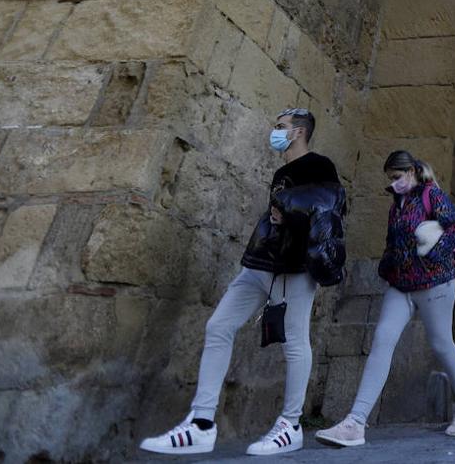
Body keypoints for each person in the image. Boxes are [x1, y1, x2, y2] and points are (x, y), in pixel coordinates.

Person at [140, 108, 346, 457]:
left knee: (295, 342)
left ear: (298, 132)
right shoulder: (282, 171)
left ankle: (290, 424)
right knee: (219, 325)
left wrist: (290, 208)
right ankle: (202, 424)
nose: (274, 132)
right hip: (261, 262)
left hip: (294, 270)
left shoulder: (319, 165)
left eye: (279, 127)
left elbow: (331, 208)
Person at [315, 150, 455, 447]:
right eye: (390, 179)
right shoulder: (397, 206)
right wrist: (386, 268)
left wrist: (433, 256)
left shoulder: (433, 196)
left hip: (435, 281)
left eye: (396, 177)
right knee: (382, 340)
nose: (393, 184)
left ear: (413, 172)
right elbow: (392, 243)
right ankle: (355, 421)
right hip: (400, 284)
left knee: (442, 343)